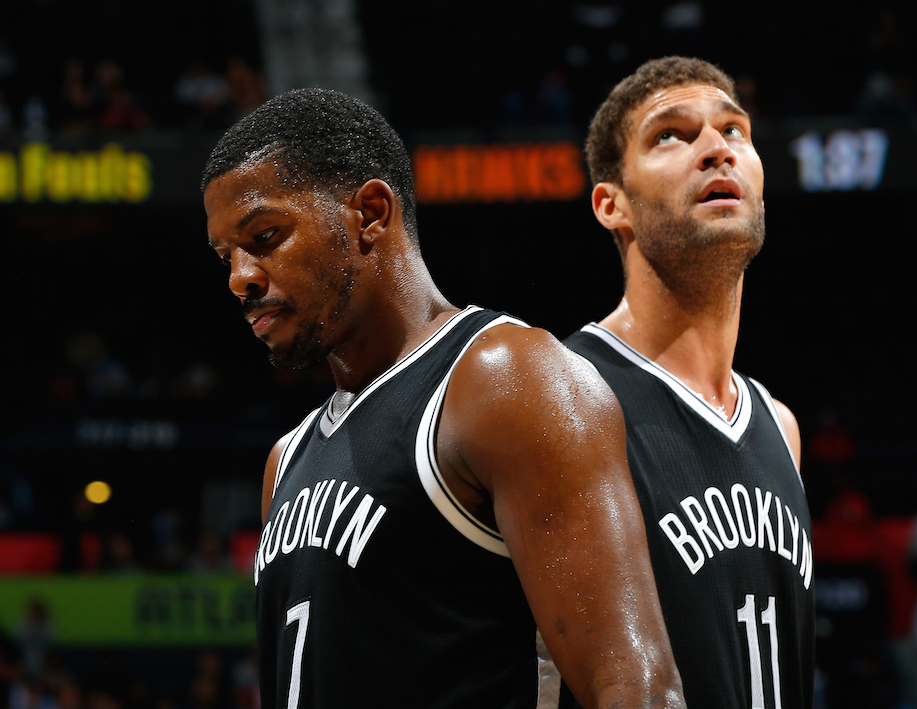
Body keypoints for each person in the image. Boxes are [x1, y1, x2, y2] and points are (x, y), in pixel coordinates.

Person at [201, 87, 683, 709]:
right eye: (225, 257)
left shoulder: (507, 378)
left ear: (370, 213)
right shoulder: (286, 460)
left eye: (264, 235)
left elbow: (638, 688)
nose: (241, 276)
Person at [560, 57, 816, 709]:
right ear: (610, 204)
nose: (716, 149)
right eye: (671, 134)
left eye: (734, 130)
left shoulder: (779, 425)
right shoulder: (564, 394)